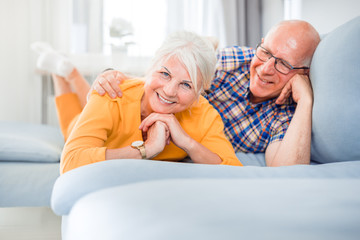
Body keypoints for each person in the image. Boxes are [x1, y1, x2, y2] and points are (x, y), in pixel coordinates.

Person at [93, 20, 321, 167]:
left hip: (187, 139)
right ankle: (68, 75)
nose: (265, 68)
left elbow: (288, 174)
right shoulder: (236, 60)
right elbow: (171, 78)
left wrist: (306, 103)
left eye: (282, 64)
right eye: (265, 52)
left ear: (303, 73)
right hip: (157, 114)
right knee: (85, 114)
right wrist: (112, 76)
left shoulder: (286, 115)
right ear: (259, 45)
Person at [32, 31, 242, 174]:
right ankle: (62, 73)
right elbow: (70, 162)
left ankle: (65, 70)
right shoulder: (112, 91)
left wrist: (186, 142)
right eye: (165, 74)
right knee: (71, 127)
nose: (169, 91)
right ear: (150, 68)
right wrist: (147, 149)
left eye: (186, 85)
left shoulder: (203, 113)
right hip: (105, 108)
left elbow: (234, 171)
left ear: (199, 93)